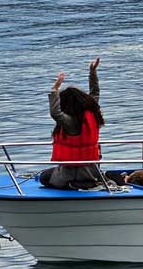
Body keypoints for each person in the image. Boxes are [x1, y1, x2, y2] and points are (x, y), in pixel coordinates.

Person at [39, 57, 105, 190]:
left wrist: (55, 90)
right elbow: (95, 92)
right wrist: (92, 72)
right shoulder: (91, 113)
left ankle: (75, 185)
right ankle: (85, 181)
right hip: (92, 171)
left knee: (44, 177)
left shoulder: (70, 122)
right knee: (47, 174)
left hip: (72, 174)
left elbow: (55, 113)